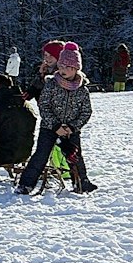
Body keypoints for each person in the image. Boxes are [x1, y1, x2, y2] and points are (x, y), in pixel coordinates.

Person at [18, 43, 97, 194]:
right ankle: (26, 184)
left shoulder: (82, 89)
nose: (63, 70)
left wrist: (72, 127)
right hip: (50, 127)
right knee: (41, 155)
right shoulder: (51, 84)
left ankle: (81, 182)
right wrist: (55, 126)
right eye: (61, 66)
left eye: (67, 67)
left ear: (75, 68)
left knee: (75, 155)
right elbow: (44, 106)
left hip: (70, 129)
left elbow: (86, 111)